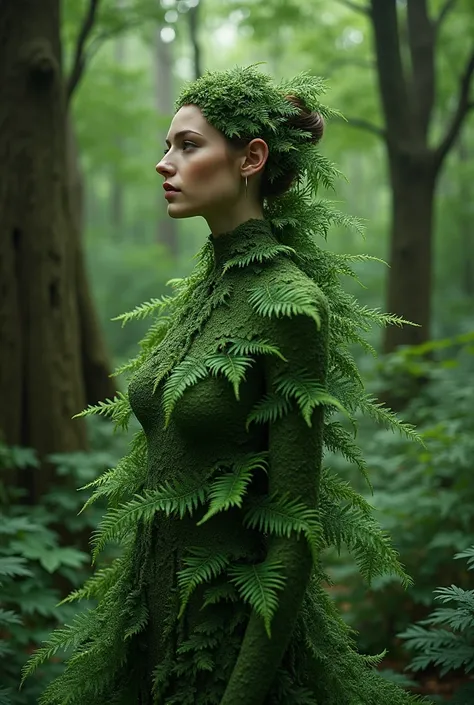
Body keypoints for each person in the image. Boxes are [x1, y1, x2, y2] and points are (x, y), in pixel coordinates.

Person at [24, 66, 425, 704]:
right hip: (152, 620)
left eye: (188, 145)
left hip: (231, 632)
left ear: (250, 159)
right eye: (166, 145)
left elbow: (292, 531)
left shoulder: (290, 305)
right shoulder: (198, 298)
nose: (165, 163)